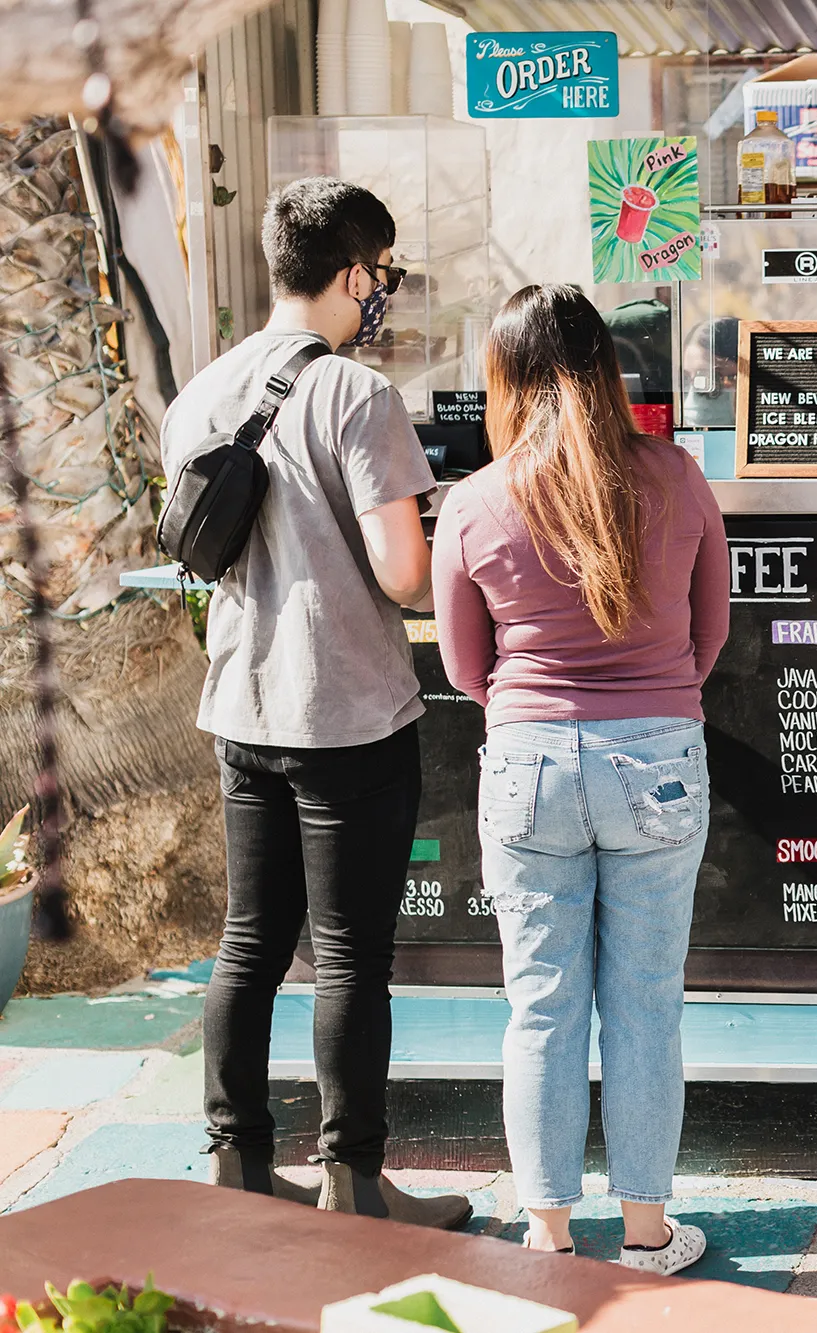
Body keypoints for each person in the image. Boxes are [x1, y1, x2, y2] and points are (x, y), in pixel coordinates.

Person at [163, 177, 469, 1227]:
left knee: (250, 939)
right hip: (344, 711)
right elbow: (401, 575)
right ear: (352, 273)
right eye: (380, 274)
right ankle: (354, 1179)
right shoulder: (355, 395)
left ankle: (237, 1161)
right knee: (348, 954)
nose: (382, 292)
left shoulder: (202, 389)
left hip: (241, 707)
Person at [431, 284, 730, 1273]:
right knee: (645, 996)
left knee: (542, 1001)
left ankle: (547, 1231)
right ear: (608, 371)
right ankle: (648, 1232)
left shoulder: (473, 503)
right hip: (657, 758)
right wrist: (645, 697)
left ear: (503, 381)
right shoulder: (677, 475)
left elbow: (464, 671)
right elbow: (709, 632)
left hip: (527, 763)